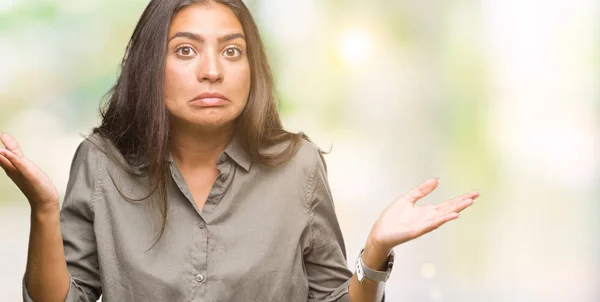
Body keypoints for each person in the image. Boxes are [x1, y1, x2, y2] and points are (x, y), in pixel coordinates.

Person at [0, 0, 479, 301]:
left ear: (253, 69)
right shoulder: (102, 163)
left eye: (232, 51)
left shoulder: (299, 167)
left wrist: (375, 250)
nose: (212, 70)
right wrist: (43, 209)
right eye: (186, 50)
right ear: (151, 65)